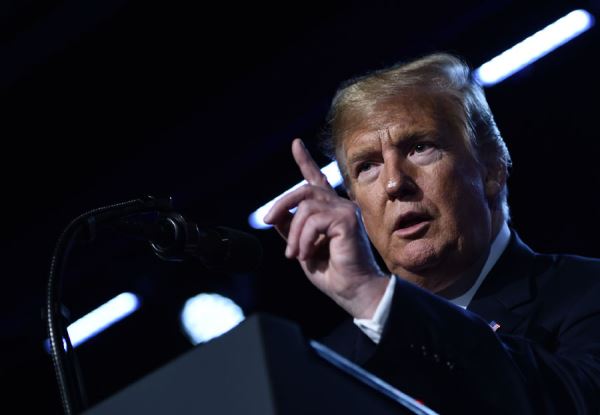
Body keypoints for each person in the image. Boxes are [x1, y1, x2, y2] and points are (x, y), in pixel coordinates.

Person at [264, 53, 600, 414]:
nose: (394, 183)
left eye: (420, 147)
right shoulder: (327, 365)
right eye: (367, 167)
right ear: (354, 203)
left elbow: (572, 401)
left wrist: (373, 296)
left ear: (492, 169)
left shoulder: (586, 291)